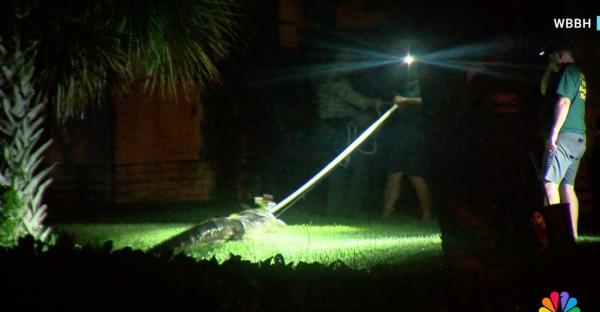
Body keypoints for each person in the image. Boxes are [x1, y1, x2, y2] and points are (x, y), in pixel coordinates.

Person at [316, 54, 384, 217]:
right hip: (337, 132)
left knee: (350, 169)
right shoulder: (334, 83)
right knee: (343, 169)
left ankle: (343, 210)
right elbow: (354, 99)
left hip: (340, 131)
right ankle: (339, 210)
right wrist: (374, 102)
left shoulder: (336, 83)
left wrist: (360, 117)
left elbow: (346, 107)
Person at [539, 39, 587, 238]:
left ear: (560, 54)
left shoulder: (568, 71)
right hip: (578, 138)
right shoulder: (579, 74)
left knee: (549, 184)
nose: (550, 59)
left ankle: (558, 236)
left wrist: (553, 134)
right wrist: (550, 70)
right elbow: (544, 89)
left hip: (564, 136)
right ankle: (572, 235)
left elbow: (564, 102)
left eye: (552, 55)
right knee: (568, 187)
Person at [382, 80, 433, 222]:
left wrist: (405, 100)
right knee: (394, 176)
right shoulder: (402, 82)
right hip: (400, 136)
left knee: (416, 176)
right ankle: (386, 215)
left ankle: (427, 214)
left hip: (416, 136)